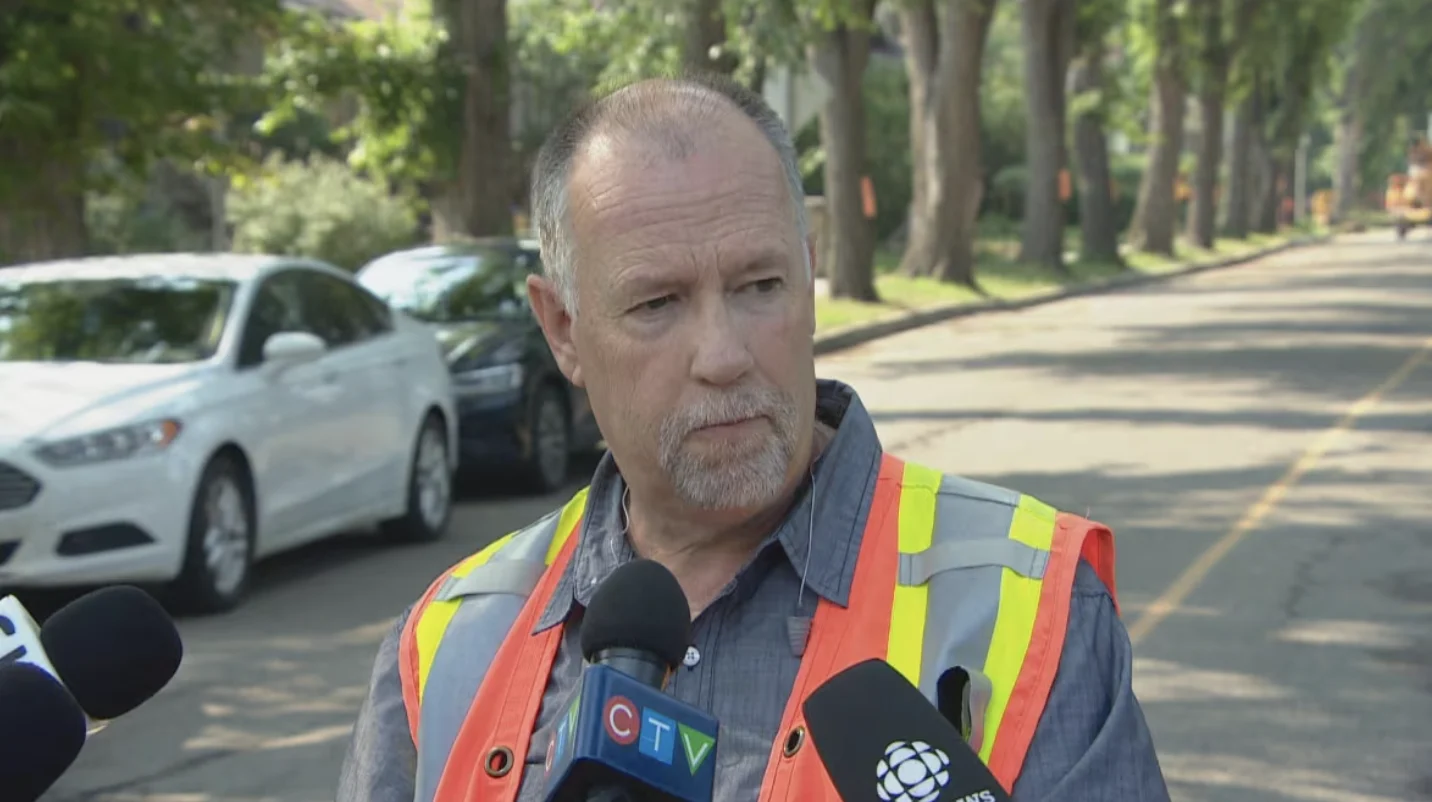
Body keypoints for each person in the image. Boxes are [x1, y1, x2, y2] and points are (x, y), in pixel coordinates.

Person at [337, 72, 1170, 802]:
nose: (725, 356)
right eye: (657, 304)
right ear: (562, 328)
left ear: (810, 273)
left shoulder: (1031, 604)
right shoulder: (445, 644)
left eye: (760, 285)